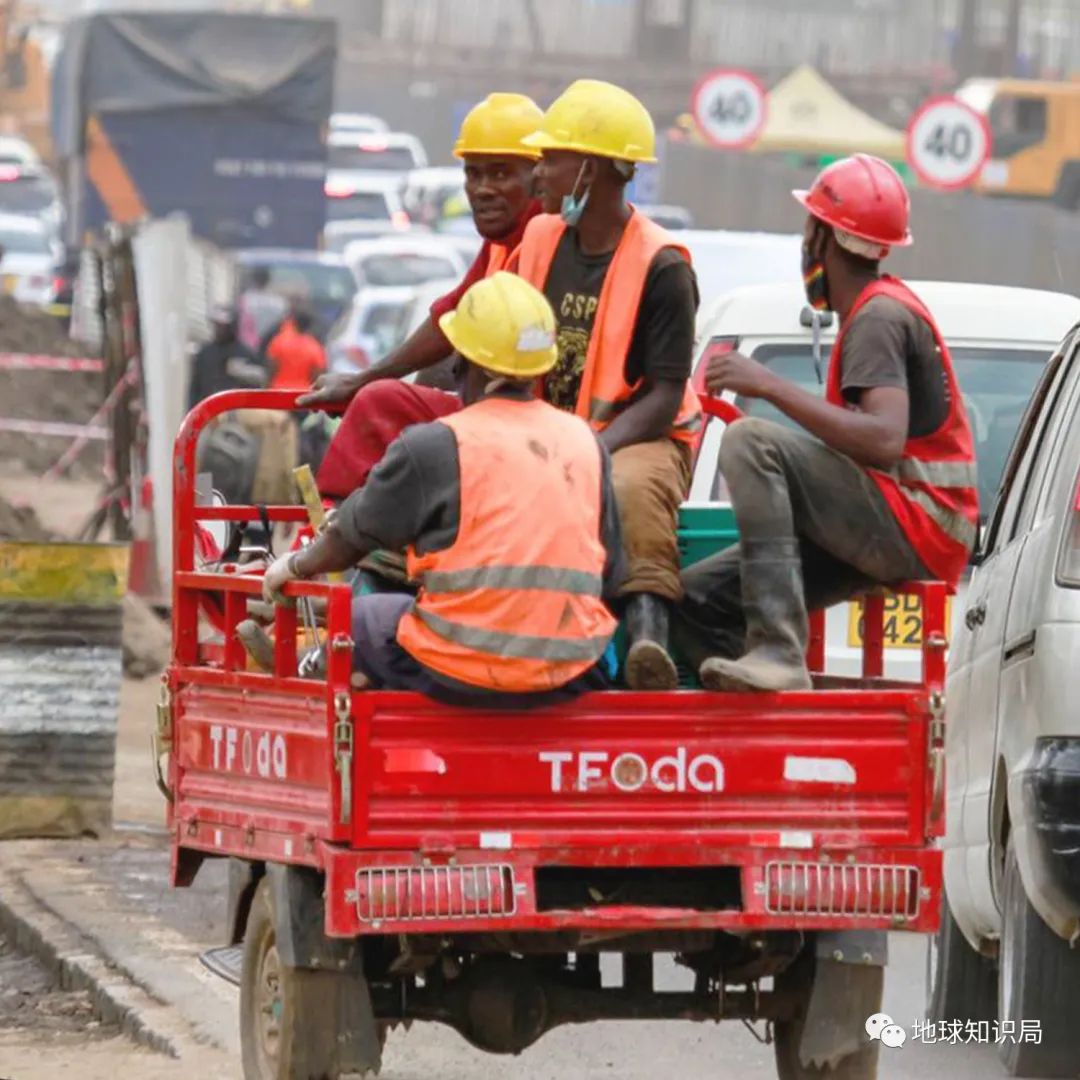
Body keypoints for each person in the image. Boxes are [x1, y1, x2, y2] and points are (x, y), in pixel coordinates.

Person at [677, 154, 978, 693]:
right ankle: (765, 726)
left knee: (750, 440)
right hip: (897, 521)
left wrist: (766, 384)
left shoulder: (879, 317)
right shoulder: (874, 311)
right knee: (693, 599)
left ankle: (776, 651)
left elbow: (883, 440)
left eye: (809, 228)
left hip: (916, 523)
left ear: (822, 238)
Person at [261, 272, 625, 707]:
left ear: (460, 363)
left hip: (463, 671)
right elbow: (612, 568)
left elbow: (348, 537)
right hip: (575, 670)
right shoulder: (588, 443)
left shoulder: (436, 443)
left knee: (364, 617)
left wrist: (293, 567)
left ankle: (305, 666)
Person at [512, 79, 701, 691]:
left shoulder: (663, 265)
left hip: (640, 434)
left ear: (588, 170)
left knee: (629, 489)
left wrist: (592, 449)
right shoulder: (539, 240)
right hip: (543, 429)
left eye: (552, 158)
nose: (538, 173)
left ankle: (648, 637)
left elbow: (665, 395)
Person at [300, 92, 545, 493]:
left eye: (501, 174)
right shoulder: (504, 241)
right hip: (494, 416)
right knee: (387, 399)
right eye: (474, 173)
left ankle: (333, 540)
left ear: (540, 176)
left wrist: (367, 385)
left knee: (380, 402)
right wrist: (364, 379)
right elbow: (451, 318)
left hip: (521, 423)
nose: (482, 189)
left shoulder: (542, 238)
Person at [187, 304, 267, 409]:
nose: (219, 329)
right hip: (209, 414)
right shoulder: (205, 353)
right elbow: (195, 387)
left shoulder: (245, 354)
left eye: (223, 326)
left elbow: (257, 387)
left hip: (237, 415)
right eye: (217, 325)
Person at [266, 307, 326, 391]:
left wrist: (267, 385)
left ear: (294, 322)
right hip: (302, 392)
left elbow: (271, 367)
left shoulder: (279, 341)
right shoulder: (315, 347)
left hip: (278, 390)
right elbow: (317, 373)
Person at [237, 265, 287, 352]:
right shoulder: (279, 302)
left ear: (254, 279)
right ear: (268, 280)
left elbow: (240, 326)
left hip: (249, 349)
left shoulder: (245, 300)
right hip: (274, 349)